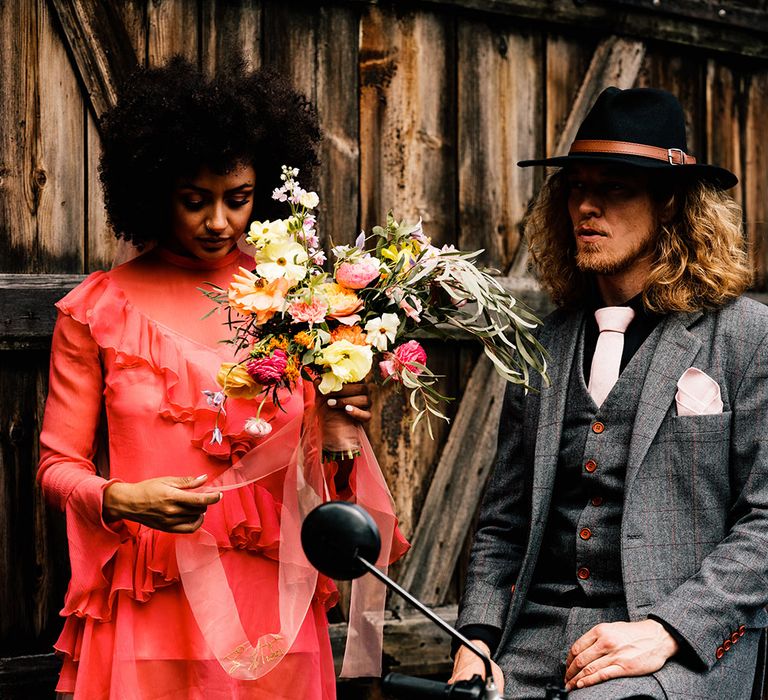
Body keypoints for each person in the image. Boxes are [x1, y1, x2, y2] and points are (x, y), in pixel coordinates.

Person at [37, 57, 407, 700]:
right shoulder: (97, 310)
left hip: (274, 607)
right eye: (194, 201)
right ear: (153, 192)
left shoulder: (297, 301)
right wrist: (122, 498)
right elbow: (54, 466)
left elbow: (330, 486)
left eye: (237, 200)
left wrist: (338, 427)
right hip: (153, 599)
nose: (218, 222)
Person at [450, 86, 768, 699]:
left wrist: (668, 629)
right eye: (576, 187)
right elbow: (503, 523)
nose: (586, 207)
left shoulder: (746, 336)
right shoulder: (541, 345)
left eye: (614, 188)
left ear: (671, 204)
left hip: (679, 646)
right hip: (534, 640)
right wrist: (478, 640)